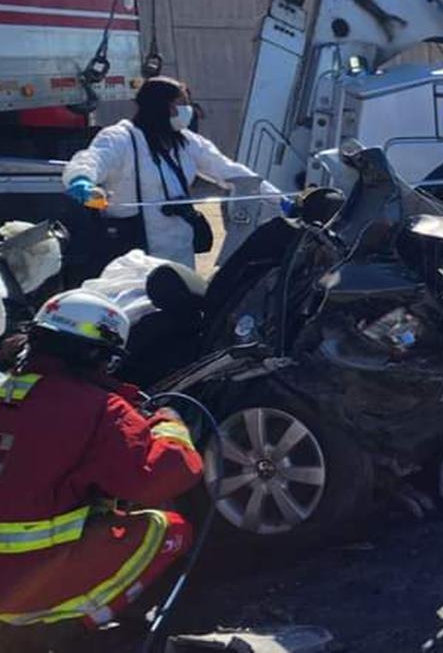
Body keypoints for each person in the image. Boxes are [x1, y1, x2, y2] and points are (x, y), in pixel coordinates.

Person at [0, 290, 201, 634]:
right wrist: (169, 426)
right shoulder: (99, 410)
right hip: (17, 589)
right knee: (170, 530)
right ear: (96, 354)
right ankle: (70, 628)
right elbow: (164, 477)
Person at [62, 76, 277, 273]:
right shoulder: (121, 138)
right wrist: (82, 179)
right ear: (160, 106)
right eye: (181, 104)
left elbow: (230, 171)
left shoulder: (187, 141)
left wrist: (279, 199)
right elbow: (93, 159)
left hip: (179, 250)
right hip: (133, 254)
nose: (187, 110)